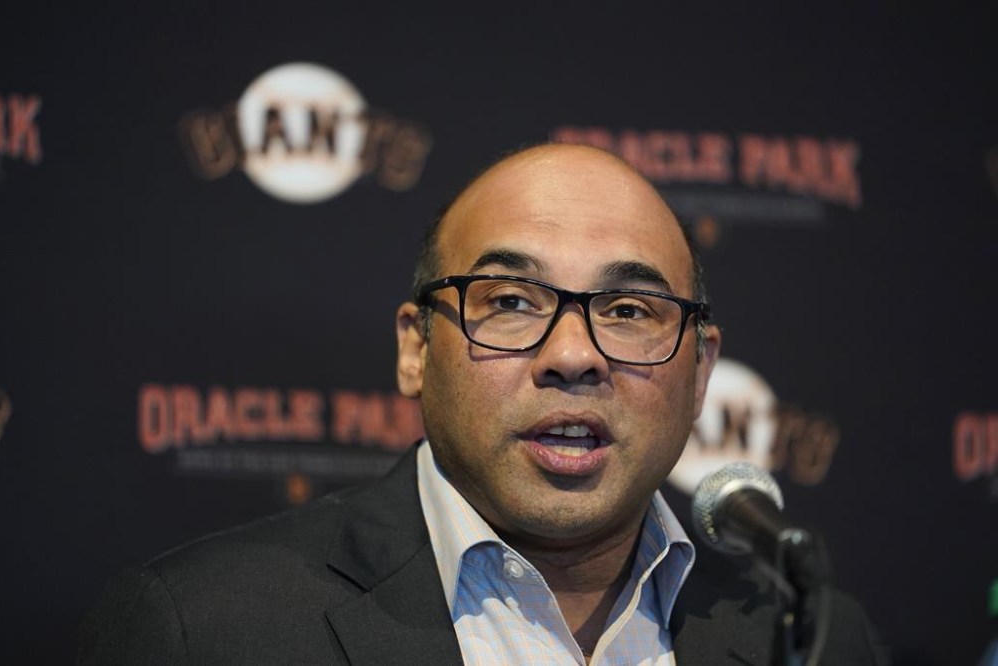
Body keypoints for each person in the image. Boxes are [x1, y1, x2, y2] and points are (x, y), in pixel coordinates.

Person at [79, 144, 888, 664]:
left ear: (701, 366)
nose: (573, 357)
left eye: (629, 311)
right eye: (510, 301)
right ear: (415, 347)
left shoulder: (815, 640)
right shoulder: (202, 632)